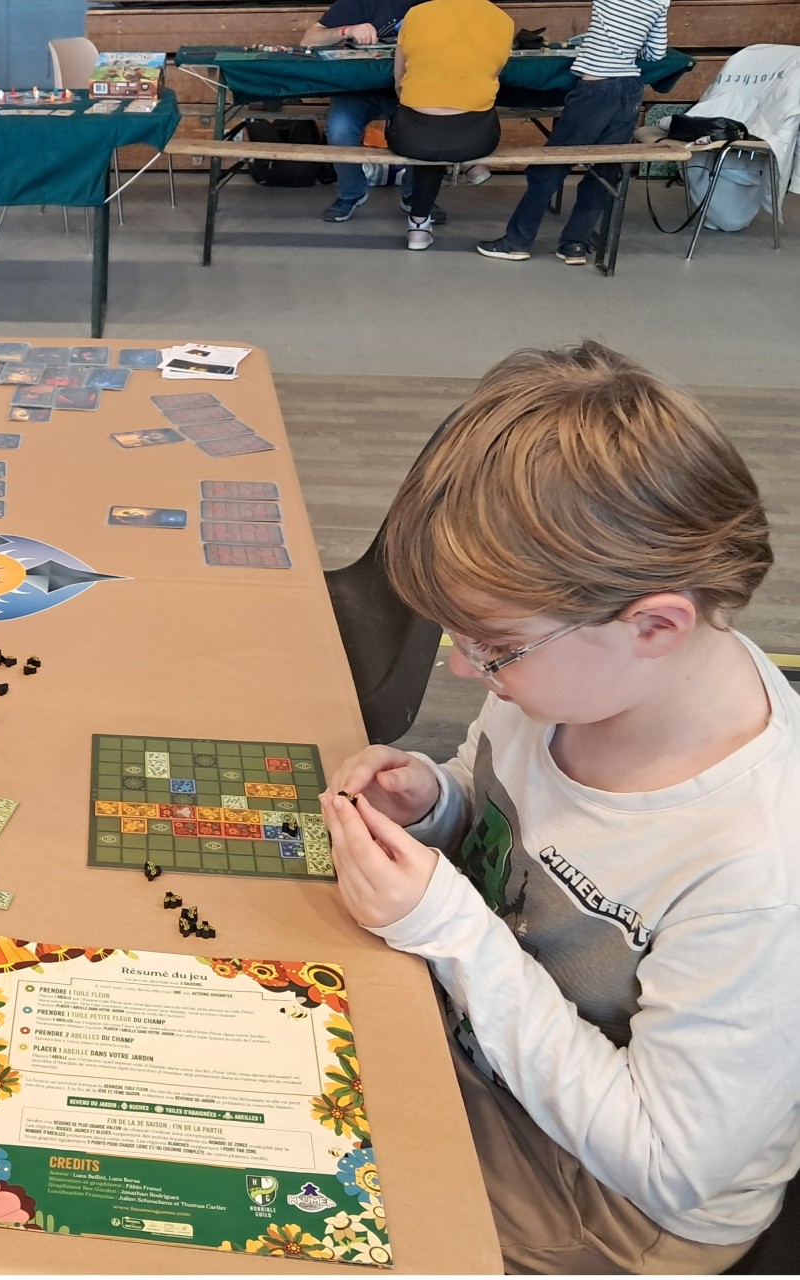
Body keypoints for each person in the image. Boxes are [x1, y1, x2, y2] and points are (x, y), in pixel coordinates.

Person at [320, 342, 798, 1272]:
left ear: (654, 625)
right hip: (488, 1046)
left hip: (608, 1203)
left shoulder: (759, 867)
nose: (464, 671)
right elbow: (508, 820)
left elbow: (667, 1165)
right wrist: (439, 806)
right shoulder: (571, 679)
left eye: (492, 647)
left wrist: (451, 929)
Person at [478, 0, 671, 263]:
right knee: (605, 170)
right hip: (630, 90)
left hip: (596, 89)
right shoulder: (660, 1)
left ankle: (517, 242)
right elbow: (656, 53)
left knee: (549, 166)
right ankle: (574, 245)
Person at [298, 0, 443, 226]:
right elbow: (309, 39)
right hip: (360, 90)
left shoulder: (439, 5)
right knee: (339, 128)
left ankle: (417, 197)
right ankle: (351, 193)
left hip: (413, 89)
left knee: (429, 124)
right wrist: (348, 30)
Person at [385, 0, 513, 249]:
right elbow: (492, 75)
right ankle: (471, 163)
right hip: (476, 141)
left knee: (427, 133)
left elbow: (399, 81)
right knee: (457, 124)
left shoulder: (416, 14)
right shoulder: (502, 20)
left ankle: (418, 228)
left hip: (413, 139)